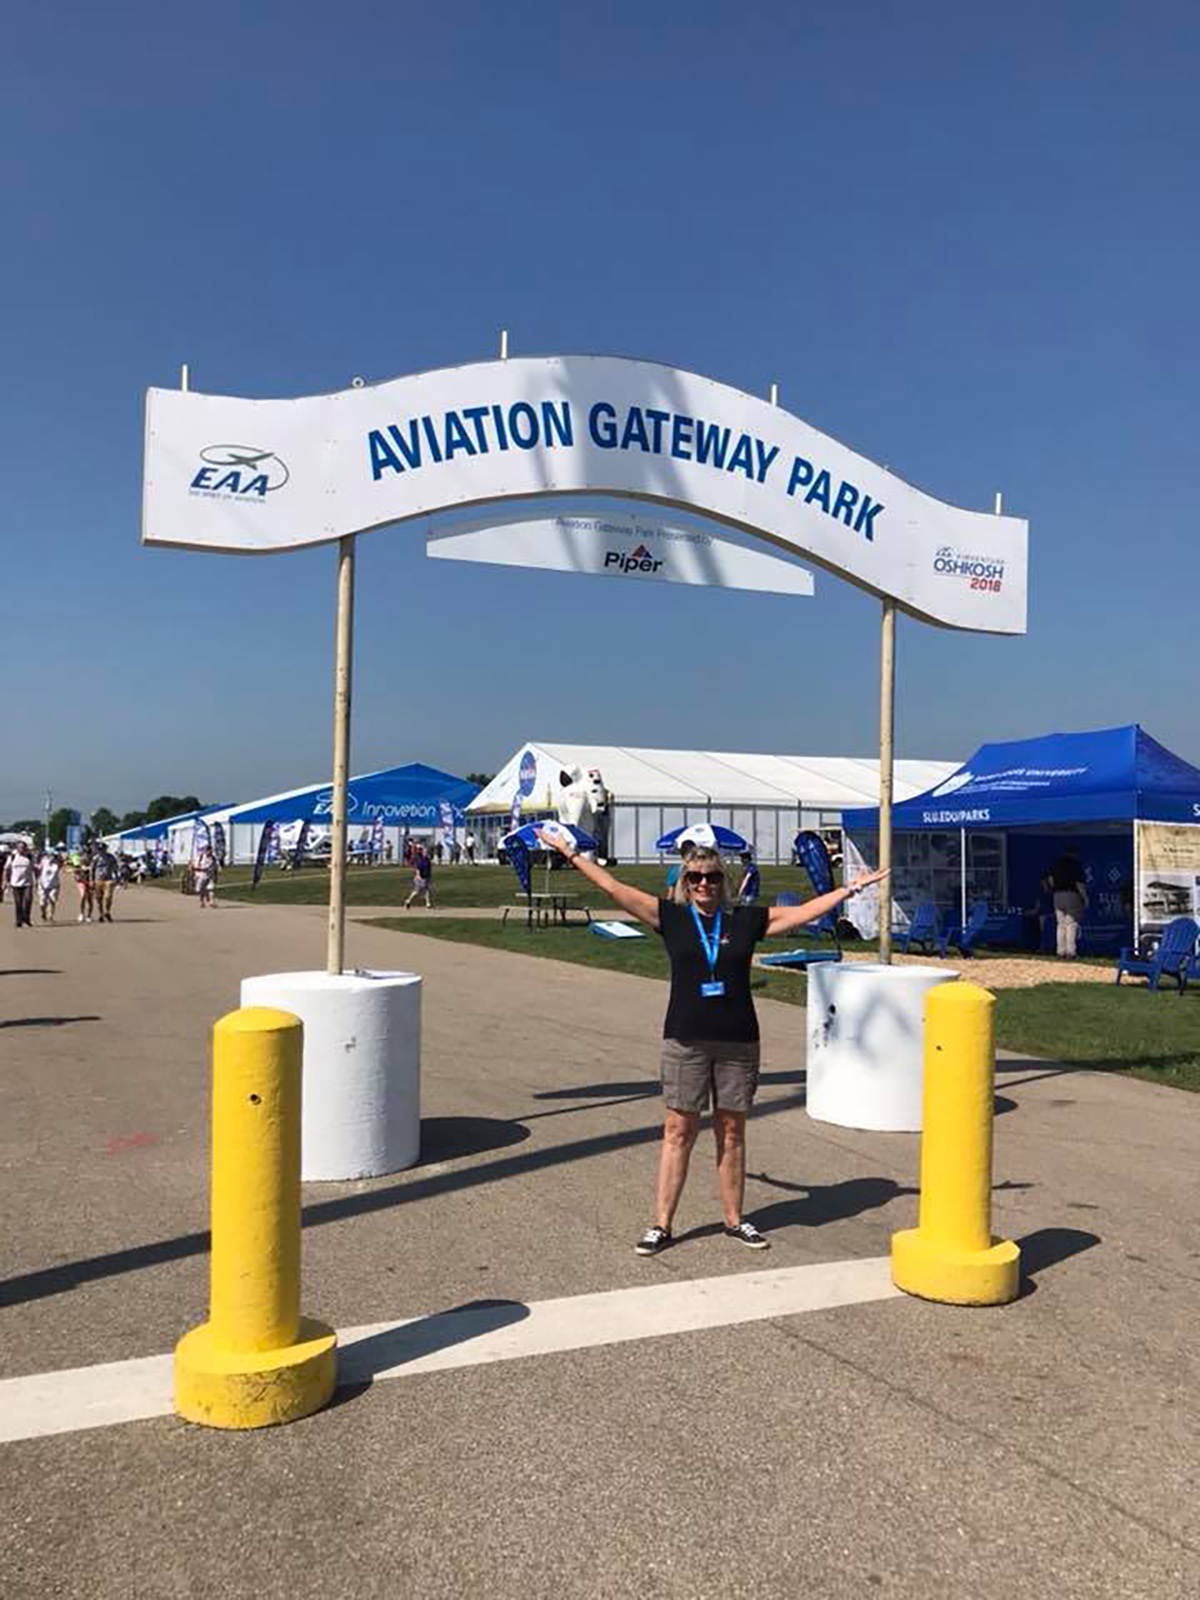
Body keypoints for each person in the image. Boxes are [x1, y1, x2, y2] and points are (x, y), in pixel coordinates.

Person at [538, 826, 888, 1254]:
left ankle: (735, 1219)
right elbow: (613, 887)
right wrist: (569, 854)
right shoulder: (671, 918)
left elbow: (803, 913)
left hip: (738, 1042)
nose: (704, 884)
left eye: (712, 876)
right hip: (685, 1040)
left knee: (732, 1131)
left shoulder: (745, 919)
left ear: (724, 881)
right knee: (678, 1129)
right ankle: (661, 1224)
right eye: (695, 878)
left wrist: (848, 890)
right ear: (684, 883)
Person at [1046, 851, 1088, 959]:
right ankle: (1071, 952)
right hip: (1071, 894)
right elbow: (1079, 884)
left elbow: (1050, 879)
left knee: (1060, 925)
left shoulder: (1057, 864)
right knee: (1071, 924)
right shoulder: (1075, 865)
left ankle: (1060, 951)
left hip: (1057, 895)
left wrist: (1054, 889)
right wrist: (1085, 898)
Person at [4, 841, 35, 928]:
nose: (21, 849)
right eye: (20, 847)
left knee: (28, 901)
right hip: (15, 884)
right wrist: (6, 881)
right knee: (18, 903)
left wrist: (38, 879)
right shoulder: (12, 857)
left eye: (23, 847)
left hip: (28, 883)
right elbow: (6, 869)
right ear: (17, 848)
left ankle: (27, 919)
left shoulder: (29, 857)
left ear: (26, 848)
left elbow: (35, 869)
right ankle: (19, 921)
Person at [404, 842, 433, 908]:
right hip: (420, 877)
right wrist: (419, 876)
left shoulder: (427, 860)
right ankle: (427, 903)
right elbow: (418, 869)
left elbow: (429, 869)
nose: (426, 853)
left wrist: (429, 876)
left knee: (424, 890)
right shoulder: (421, 860)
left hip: (425, 877)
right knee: (419, 891)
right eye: (425, 852)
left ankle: (427, 903)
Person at [37, 851, 62, 923]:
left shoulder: (57, 864)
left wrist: (59, 858)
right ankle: (43, 913)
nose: (51, 857)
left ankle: (50, 916)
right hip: (43, 884)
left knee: (52, 899)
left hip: (54, 885)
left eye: (53, 856)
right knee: (42, 902)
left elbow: (62, 862)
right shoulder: (43, 861)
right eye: (50, 855)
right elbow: (38, 868)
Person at [194, 844, 217, 909]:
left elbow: (215, 868)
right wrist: (202, 869)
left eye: (210, 850)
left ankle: (211, 902)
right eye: (208, 850)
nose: (209, 852)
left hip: (210, 876)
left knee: (211, 889)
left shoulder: (213, 858)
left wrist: (215, 876)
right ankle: (202, 902)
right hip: (201, 876)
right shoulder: (200, 857)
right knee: (201, 890)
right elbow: (195, 867)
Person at [73, 852, 94, 923]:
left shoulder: (93, 866)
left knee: (90, 899)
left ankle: (89, 915)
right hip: (82, 882)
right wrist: (78, 876)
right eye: (83, 860)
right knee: (83, 896)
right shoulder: (78, 867)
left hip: (90, 883)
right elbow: (75, 875)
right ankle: (81, 913)